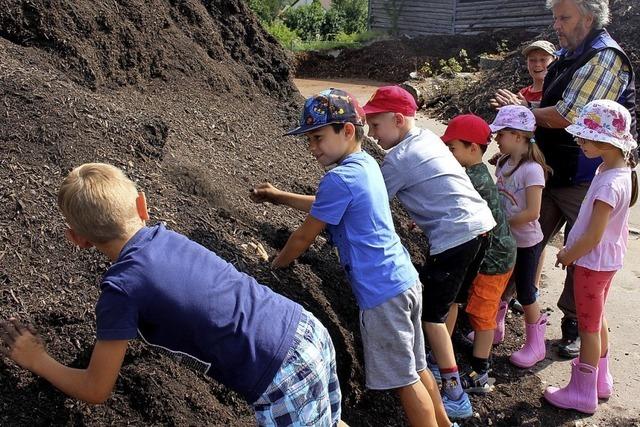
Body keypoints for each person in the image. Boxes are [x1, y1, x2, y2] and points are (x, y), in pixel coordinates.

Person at [0, 163, 344, 427]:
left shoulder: (120, 290)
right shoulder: (166, 238)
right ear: (142, 205)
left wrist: (36, 359)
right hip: (305, 329)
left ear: (77, 239)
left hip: (279, 374)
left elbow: (95, 389)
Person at [250, 89, 454, 427]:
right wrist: (278, 197)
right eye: (309, 140)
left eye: (318, 138)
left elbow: (303, 236)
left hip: (381, 293)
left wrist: (274, 266)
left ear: (347, 131)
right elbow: (325, 204)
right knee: (417, 366)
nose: (313, 148)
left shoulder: (339, 178)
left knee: (405, 380)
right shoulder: (364, 165)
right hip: (402, 281)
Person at [491, 0, 636, 359]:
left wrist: (523, 115)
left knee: (582, 251)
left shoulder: (604, 58)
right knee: (526, 240)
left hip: (582, 177)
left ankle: (574, 324)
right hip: (553, 169)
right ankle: (503, 308)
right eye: (555, 17)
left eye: (564, 17)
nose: (556, 25)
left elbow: (566, 115)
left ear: (588, 18)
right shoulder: (571, 53)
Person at [363, 86, 497, 419]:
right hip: (479, 226)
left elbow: (365, 200)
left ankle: (454, 394)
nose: (371, 134)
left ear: (397, 120)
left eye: (376, 125)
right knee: (448, 303)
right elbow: (442, 184)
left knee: (430, 317)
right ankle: (441, 364)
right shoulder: (425, 139)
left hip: (455, 237)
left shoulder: (400, 159)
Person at [545, 100, 637, 413]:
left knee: (586, 326)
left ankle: (583, 393)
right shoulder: (616, 170)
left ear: (607, 141)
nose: (579, 141)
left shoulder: (609, 184)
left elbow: (594, 235)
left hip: (592, 262)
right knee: (597, 320)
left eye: (585, 137)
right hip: (606, 261)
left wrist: (568, 253)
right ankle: (602, 379)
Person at [441, 114, 517, 393]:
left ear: (473, 148)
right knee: (470, 306)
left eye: (453, 149)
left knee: (483, 315)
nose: (449, 154)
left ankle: (481, 371)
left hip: (494, 260)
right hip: (485, 254)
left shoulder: (472, 179)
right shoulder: (473, 173)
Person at [490, 106, 553, 369]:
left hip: (526, 242)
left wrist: (501, 222)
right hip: (506, 239)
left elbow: (532, 212)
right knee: (502, 285)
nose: (496, 140)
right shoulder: (504, 163)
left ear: (517, 136)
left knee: (526, 293)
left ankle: (535, 345)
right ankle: (495, 328)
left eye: (500, 135)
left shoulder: (532, 170)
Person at [491, 40, 556, 109]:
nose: (537, 64)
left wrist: (526, 108)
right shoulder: (522, 94)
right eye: (532, 60)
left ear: (554, 61)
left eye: (543, 59)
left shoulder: (558, 92)